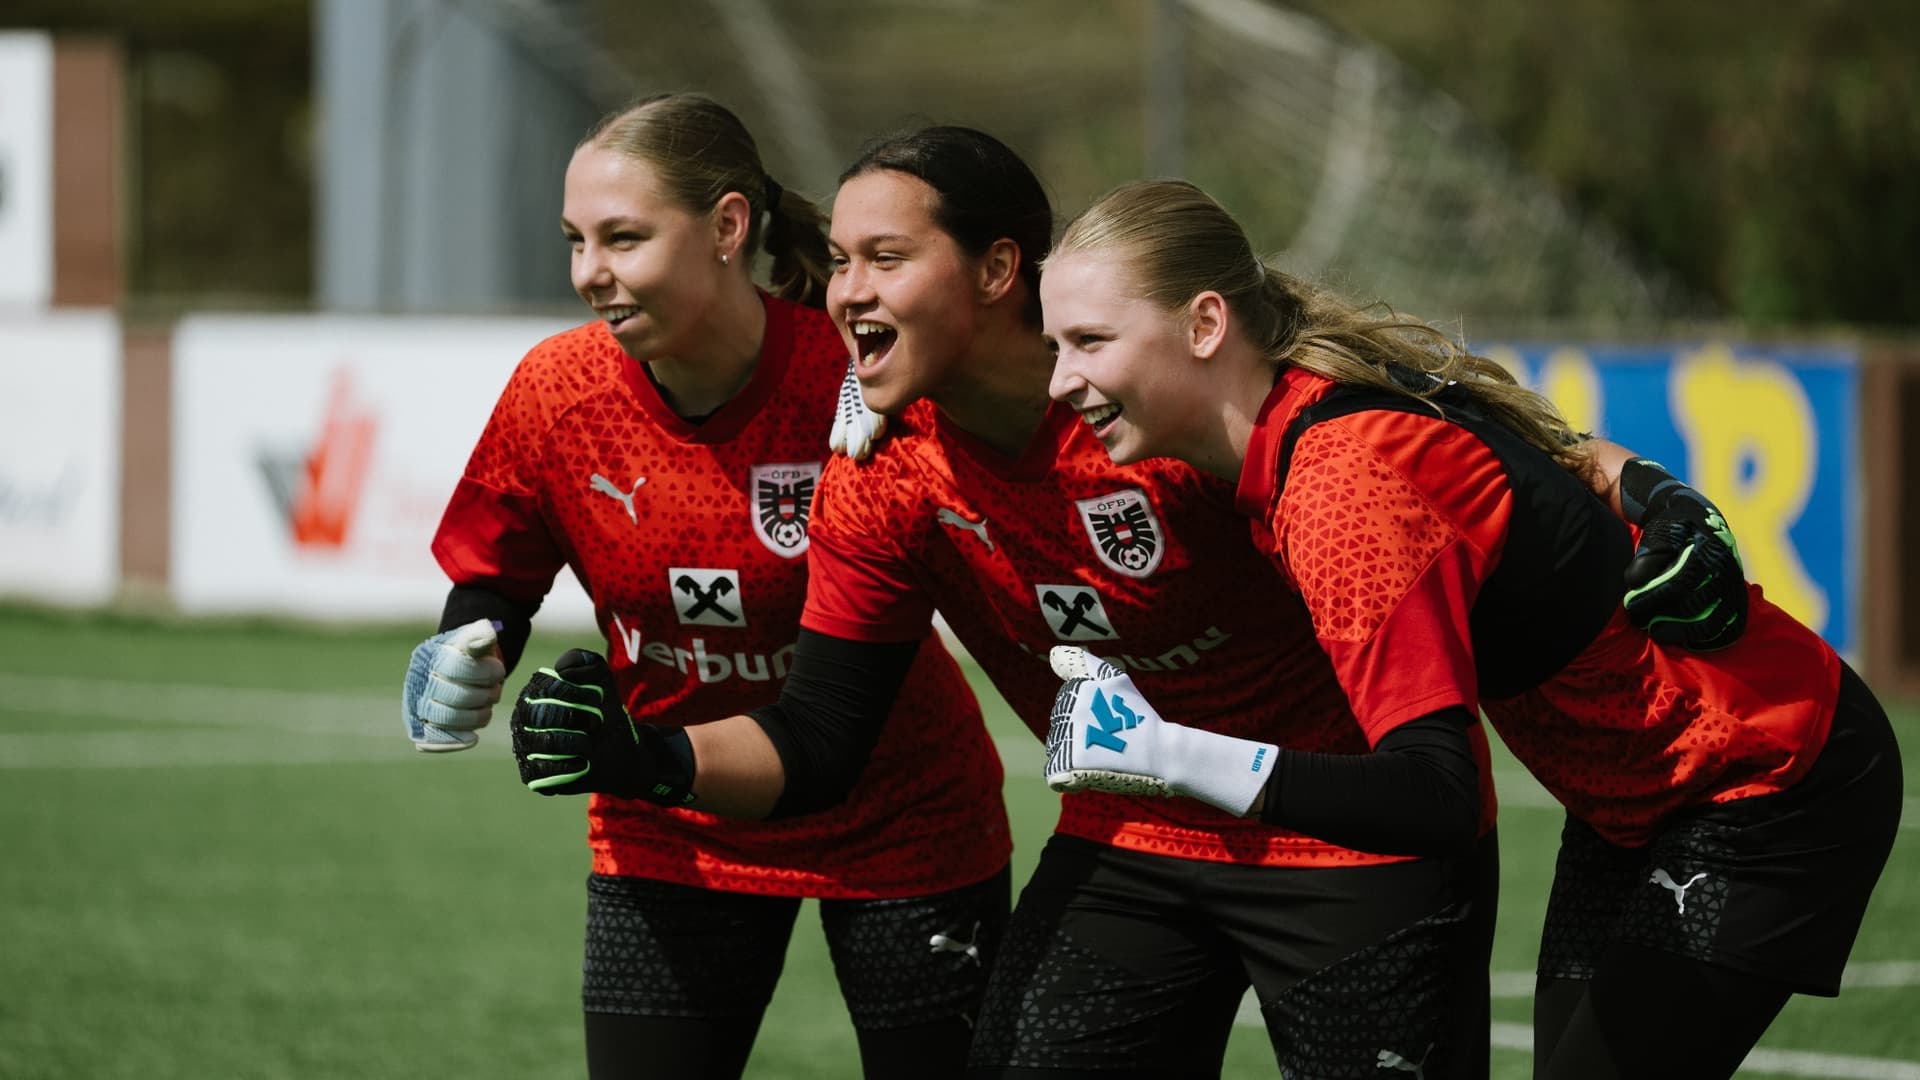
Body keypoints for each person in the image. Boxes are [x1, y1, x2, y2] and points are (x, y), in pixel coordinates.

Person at [509, 126, 1737, 1078]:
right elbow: (820, 741)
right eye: (839, 260)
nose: (845, 292)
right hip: (1130, 839)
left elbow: (1457, 427)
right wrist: (647, 754)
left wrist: (1654, 492)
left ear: (999, 271)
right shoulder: (880, 476)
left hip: (1350, 832)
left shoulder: (1170, 391)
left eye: (886, 259)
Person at [1037, 178, 1904, 1079]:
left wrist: (1167, 754)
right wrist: (1668, 495)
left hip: (1768, 780)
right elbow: (1570, 455)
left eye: (1091, 342)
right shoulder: (1309, 404)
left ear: (1206, 325)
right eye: (1056, 344)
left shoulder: (1340, 480)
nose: (1062, 379)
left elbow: (1435, 795)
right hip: (1629, 803)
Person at [400, 94, 1013, 1080]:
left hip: (905, 821)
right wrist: (466, 649)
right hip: (666, 816)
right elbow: (496, 577)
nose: (588, 273)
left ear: (728, 227)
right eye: (575, 241)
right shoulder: (556, 393)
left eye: (623, 238)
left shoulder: (857, 380)